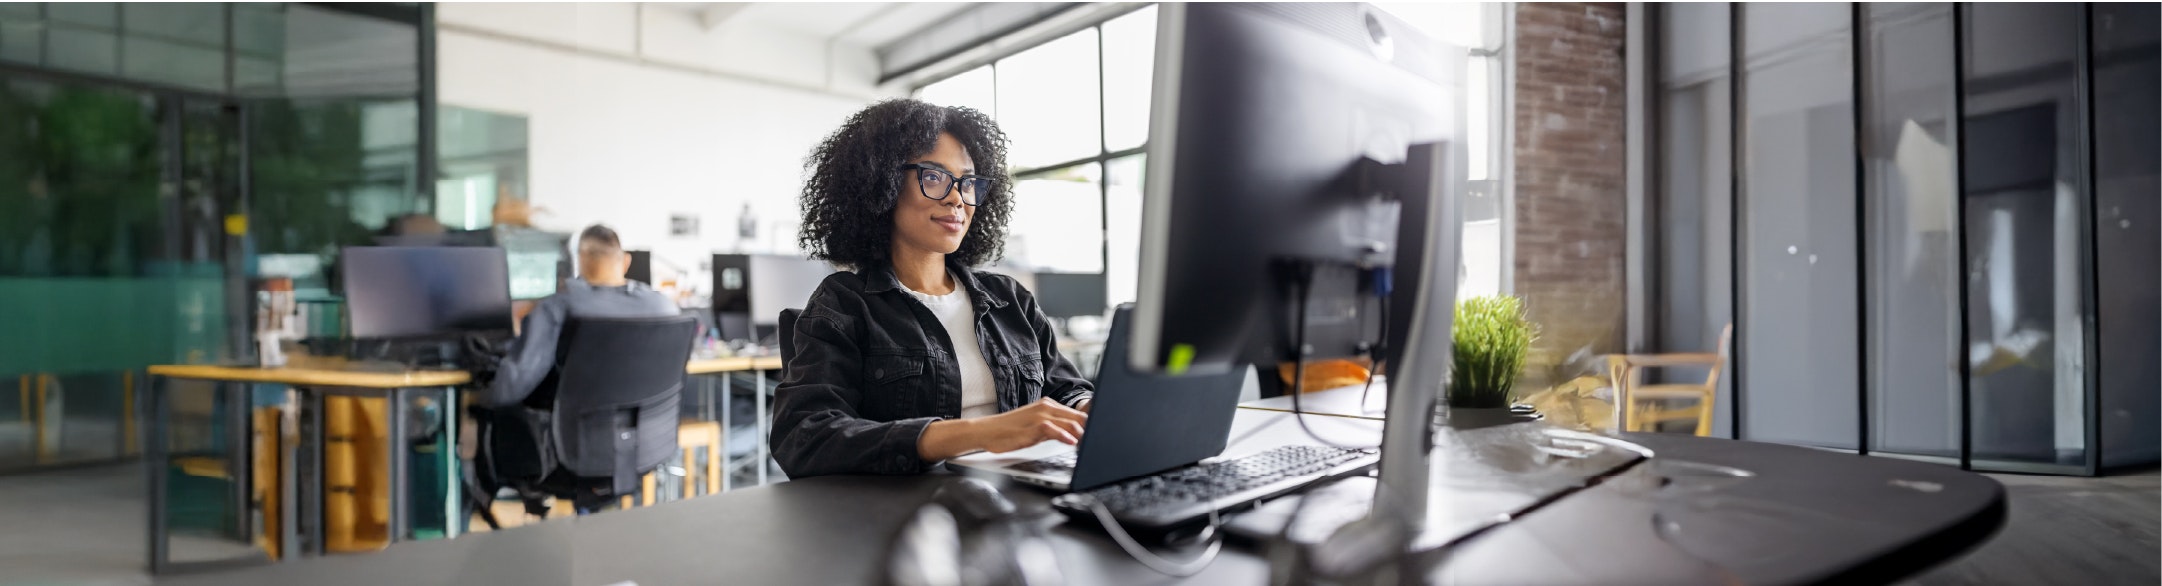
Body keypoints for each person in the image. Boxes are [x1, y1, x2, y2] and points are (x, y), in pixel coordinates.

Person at [770, 99, 1094, 479]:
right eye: (935, 177)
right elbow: (804, 437)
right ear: (883, 184)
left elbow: (1066, 391)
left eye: (968, 182)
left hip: (1021, 500)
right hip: (908, 517)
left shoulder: (1010, 299)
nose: (958, 198)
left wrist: (1090, 408)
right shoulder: (844, 304)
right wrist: (977, 433)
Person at [466, 224, 677, 514]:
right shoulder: (664, 307)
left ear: (580, 260)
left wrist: (474, 398)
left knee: (476, 418)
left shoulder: (559, 308)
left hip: (566, 459)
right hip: (642, 451)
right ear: (624, 260)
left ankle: (467, 530)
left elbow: (508, 389)